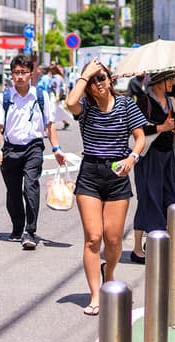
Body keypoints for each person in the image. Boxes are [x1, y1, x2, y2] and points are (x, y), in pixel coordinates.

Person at [66, 59, 146, 315]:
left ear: (110, 80)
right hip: (90, 173)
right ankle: (95, 295)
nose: (97, 84)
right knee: (93, 238)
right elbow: (69, 103)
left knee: (112, 239)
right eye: (92, 81)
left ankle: (108, 272)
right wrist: (85, 74)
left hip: (117, 173)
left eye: (101, 78)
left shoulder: (126, 105)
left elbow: (140, 137)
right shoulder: (86, 108)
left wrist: (132, 158)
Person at [0, 54, 66, 250]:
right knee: (13, 191)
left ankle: (30, 231)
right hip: (10, 149)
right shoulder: (4, 98)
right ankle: (18, 226)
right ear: (11, 75)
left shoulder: (41, 97)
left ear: (31, 74)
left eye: (23, 72)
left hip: (33, 147)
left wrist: (56, 149)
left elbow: (49, 125)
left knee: (30, 186)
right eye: (16, 73)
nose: (19, 76)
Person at [131, 71, 175, 264]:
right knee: (149, 197)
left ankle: (156, 240)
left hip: (167, 155)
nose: (174, 82)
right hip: (149, 155)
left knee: (171, 197)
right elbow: (137, 128)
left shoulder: (172, 101)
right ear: (160, 81)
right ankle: (137, 249)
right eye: (171, 78)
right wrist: (161, 127)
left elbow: (174, 125)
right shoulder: (144, 101)